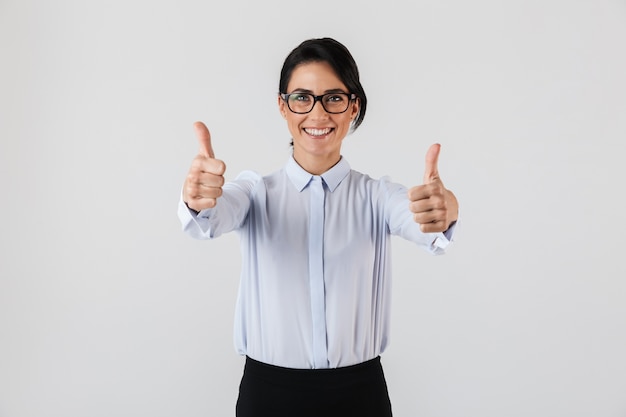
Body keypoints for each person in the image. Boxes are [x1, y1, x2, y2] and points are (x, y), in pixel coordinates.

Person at [178, 37, 459, 417]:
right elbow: (212, 216)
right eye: (301, 97)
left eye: (334, 98)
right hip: (269, 394)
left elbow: (423, 221)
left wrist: (446, 209)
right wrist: (198, 198)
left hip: (359, 395)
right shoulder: (255, 191)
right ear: (283, 106)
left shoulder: (377, 196)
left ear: (352, 106)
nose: (317, 113)